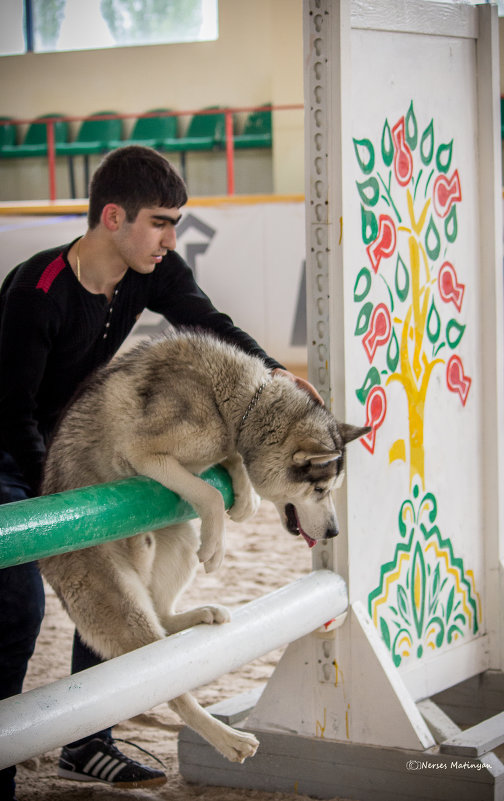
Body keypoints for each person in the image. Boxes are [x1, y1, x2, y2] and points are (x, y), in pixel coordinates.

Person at [0, 145, 321, 798]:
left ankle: (87, 742)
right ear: (112, 217)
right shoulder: (39, 293)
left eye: (176, 222)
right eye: (160, 222)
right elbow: (11, 412)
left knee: (125, 568)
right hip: (9, 445)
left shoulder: (154, 269)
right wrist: (60, 507)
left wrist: (274, 373)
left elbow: (209, 322)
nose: (171, 238)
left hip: (74, 441)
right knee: (17, 606)